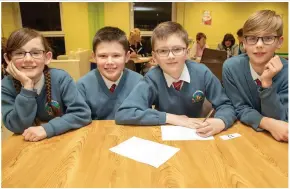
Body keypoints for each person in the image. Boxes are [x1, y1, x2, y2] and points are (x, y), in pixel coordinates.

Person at [115, 21, 236, 137]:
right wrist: (172, 118)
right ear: (154, 57)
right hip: (165, 136)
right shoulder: (152, 78)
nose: (171, 56)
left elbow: (226, 104)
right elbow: (124, 113)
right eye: (163, 51)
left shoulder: (202, 72)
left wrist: (221, 121)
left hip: (198, 135)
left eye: (177, 49)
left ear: (187, 52)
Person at [2, 28, 91, 142]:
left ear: (47, 57)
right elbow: (17, 126)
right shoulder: (5, 86)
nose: (28, 59)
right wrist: (27, 87)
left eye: (35, 53)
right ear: (8, 58)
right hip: (27, 145)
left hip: (62, 140)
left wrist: (47, 129)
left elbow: (82, 113)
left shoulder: (60, 78)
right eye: (19, 53)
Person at [222, 10, 288, 142]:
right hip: (244, 134)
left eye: (268, 38)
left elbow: (282, 120)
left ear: (279, 42)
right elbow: (238, 108)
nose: (259, 45)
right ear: (244, 43)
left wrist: (267, 83)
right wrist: (267, 123)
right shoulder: (231, 67)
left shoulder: (287, 72)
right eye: (252, 38)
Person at [76, 26, 143, 120]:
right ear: (94, 57)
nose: (110, 62)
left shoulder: (139, 83)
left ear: (127, 57)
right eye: (103, 56)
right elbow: (79, 119)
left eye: (116, 55)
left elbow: (143, 117)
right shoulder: (83, 86)